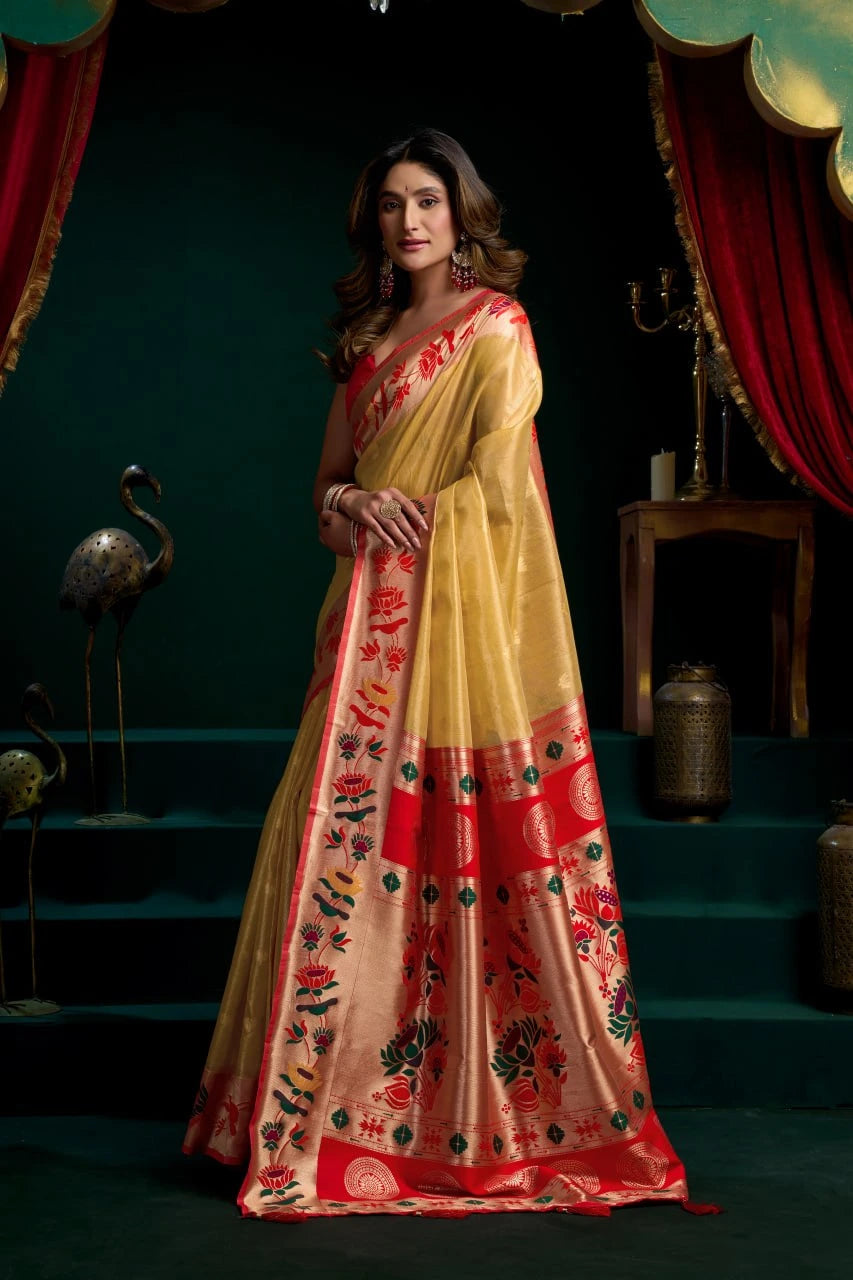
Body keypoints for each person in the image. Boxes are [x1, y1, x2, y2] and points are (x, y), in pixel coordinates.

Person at [183, 128, 703, 1221]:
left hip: (450, 637)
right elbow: (326, 495)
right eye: (389, 204)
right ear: (371, 222)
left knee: (450, 850)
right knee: (322, 843)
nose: (408, 220)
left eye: (427, 200)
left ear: (463, 214)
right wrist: (352, 505)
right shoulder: (366, 340)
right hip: (361, 630)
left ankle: (451, 1117)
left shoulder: (494, 329)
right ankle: (317, 1108)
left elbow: (495, 493)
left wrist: (395, 520)